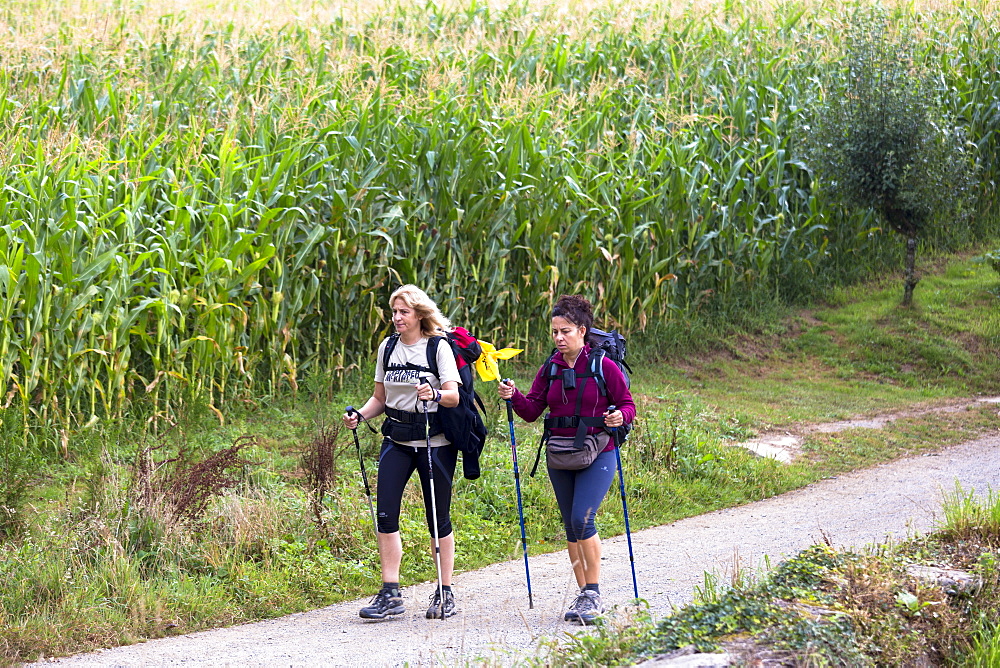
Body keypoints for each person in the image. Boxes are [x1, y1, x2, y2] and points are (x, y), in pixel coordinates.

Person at [497, 294, 635, 625]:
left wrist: (619, 417)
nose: (559, 338)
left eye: (566, 331)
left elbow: (627, 404)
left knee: (582, 518)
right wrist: (513, 395)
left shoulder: (604, 366)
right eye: (555, 331)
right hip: (560, 453)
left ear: (583, 331)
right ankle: (584, 593)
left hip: (599, 450)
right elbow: (531, 411)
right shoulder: (550, 369)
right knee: (571, 527)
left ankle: (593, 593)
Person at [343, 285, 462, 621]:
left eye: (403, 312)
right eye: (393, 312)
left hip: (433, 442)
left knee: (437, 519)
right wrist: (360, 415)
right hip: (396, 441)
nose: (396, 318)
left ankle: (444, 591)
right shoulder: (388, 347)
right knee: (385, 516)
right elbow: (379, 397)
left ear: (418, 314)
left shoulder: (437, 347)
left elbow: (453, 396)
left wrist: (434, 393)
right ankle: (390, 593)